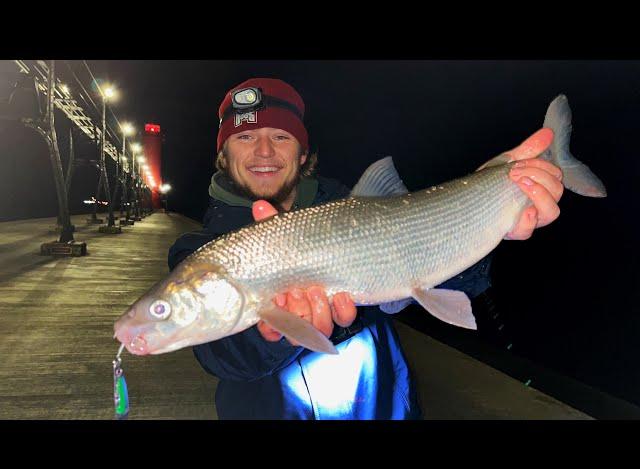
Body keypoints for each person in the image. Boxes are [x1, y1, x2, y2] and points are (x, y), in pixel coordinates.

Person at [168, 78, 564, 420]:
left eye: (280, 136)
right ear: (224, 155)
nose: (265, 151)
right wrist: (275, 331)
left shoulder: (352, 207)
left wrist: (487, 208)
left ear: (303, 154)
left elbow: (451, 272)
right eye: (246, 137)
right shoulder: (199, 251)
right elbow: (224, 356)